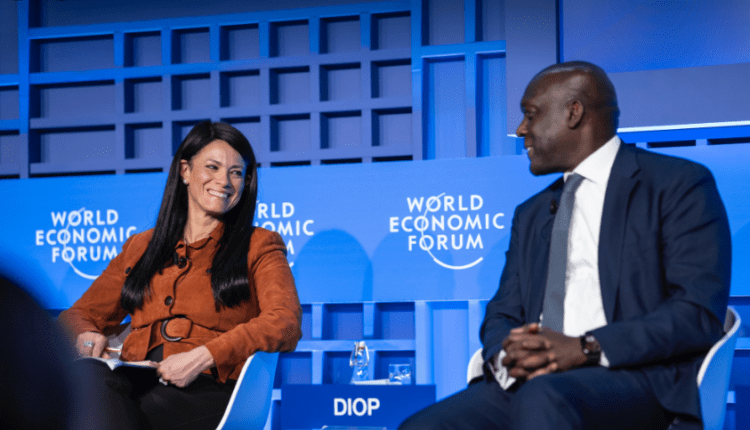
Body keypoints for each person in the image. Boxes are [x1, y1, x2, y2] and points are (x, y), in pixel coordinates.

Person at [399, 61, 731, 429]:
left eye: (530, 115)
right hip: (533, 383)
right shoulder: (532, 213)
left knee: (544, 399)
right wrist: (511, 354)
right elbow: (502, 312)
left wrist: (585, 347)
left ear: (574, 113)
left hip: (637, 378)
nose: (521, 129)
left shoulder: (677, 184)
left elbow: (695, 314)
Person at [57, 120, 303, 430]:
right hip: (136, 381)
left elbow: (284, 321)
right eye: (212, 167)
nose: (224, 181)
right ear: (185, 171)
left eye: (236, 173)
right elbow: (76, 315)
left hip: (208, 388)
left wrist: (204, 355)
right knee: (89, 382)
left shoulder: (259, 244)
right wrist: (85, 334)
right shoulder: (140, 247)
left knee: (115, 411)